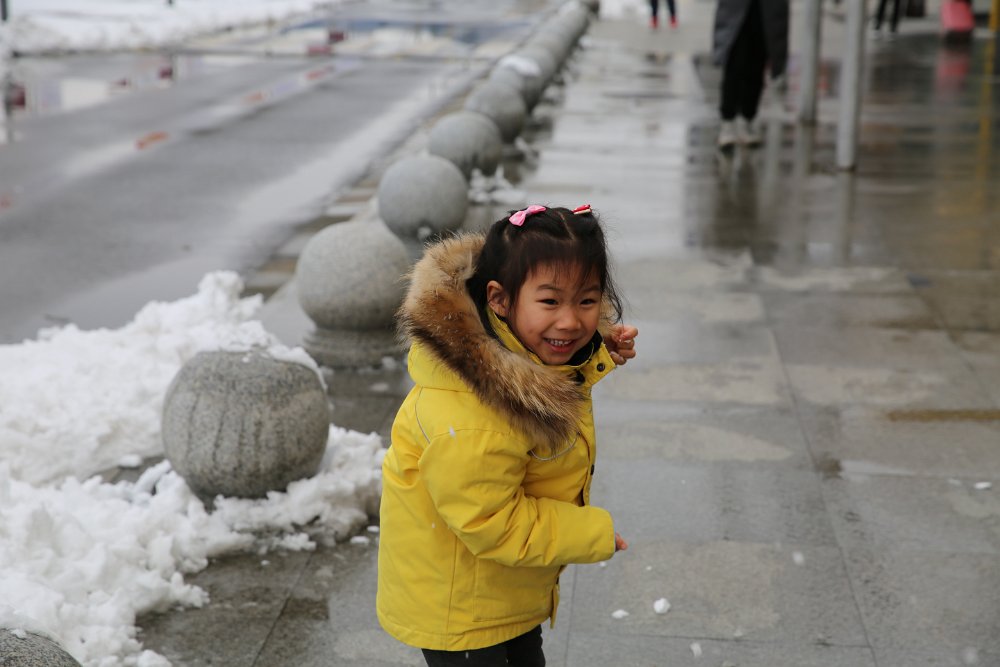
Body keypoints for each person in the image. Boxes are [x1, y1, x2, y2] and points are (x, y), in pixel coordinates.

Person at [377, 204, 638, 666]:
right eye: (550, 302)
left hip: (497, 593)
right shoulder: (474, 419)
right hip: (464, 612)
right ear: (498, 299)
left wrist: (595, 348)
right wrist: (588, 532)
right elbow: (491, 520)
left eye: (587, 301)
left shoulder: (515, 352)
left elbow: (544, 386)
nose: (571, 321)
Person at [712, 0, 789, 149]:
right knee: (734, 66)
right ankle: (728, 122)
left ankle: (747, 119)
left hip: (765, 12)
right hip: (736, 10)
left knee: (756, 66)